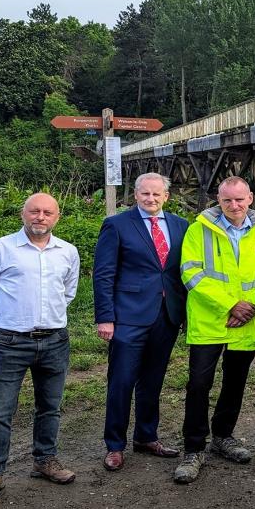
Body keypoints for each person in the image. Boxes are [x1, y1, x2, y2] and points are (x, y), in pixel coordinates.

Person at [0, 193, 80, 507]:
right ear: (23, 214)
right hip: (10, 343)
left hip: (55, 341)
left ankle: (45, 461)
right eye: (34, 211)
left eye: (47, 212)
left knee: (50, 406)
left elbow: (68, 291)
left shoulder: (67, 252)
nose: (40, 217)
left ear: (57, 217)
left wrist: (46, 318)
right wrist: (1, 322)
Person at [173, 176, 255, 484]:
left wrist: (250, 306)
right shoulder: (198, 229)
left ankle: (223, 436)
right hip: (211, 320)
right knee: (199, 385)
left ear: (251, 198)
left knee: (235, 383)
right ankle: (193, 447)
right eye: (227, 200)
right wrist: (231, 305)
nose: (234, 205)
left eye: (240, 199)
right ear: (218, 199)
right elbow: (190, 273)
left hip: (246, 321)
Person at [93, 173, 189, 471]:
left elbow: (182, 272)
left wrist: (185, 314)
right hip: (128, 317)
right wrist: (105, 317)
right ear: (135, 195)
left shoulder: (181, 226)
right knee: (121, 381)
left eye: (156, 194)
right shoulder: (117, 225)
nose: (151, 199)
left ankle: (146, 436)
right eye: (145, 194)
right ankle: (115, 445)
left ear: (166, 196)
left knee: (153, 380)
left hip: (167, 314)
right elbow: (103, 273)